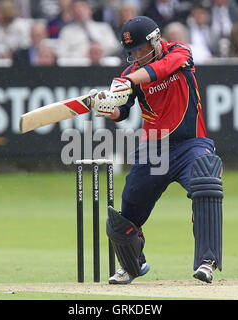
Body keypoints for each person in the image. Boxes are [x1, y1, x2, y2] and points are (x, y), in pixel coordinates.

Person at [91, 16, 224, 284]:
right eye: (133, 52)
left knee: (206, 181)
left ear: (155, 40)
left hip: (191, 144)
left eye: (143, 49)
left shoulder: (180, 52)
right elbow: (122, 112)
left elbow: (160, 70)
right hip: (154, 150)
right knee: (124, 217)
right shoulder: (130, 76)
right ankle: (131, 265)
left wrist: (127, 82)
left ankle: (207, 261)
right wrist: (106, 108)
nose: (138, 56)